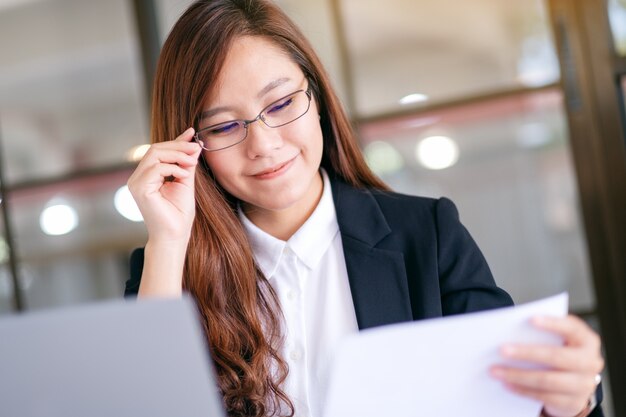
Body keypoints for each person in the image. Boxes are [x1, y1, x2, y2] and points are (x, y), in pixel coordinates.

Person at [124, 1, 605, 416]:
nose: (264, 145)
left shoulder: (426, 234)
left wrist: (568, 399)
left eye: (282, 103)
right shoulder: (163, 269)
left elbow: (511, 398)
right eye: (225, 127)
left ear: (317, 98)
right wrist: (169, 241)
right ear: (190, 146)